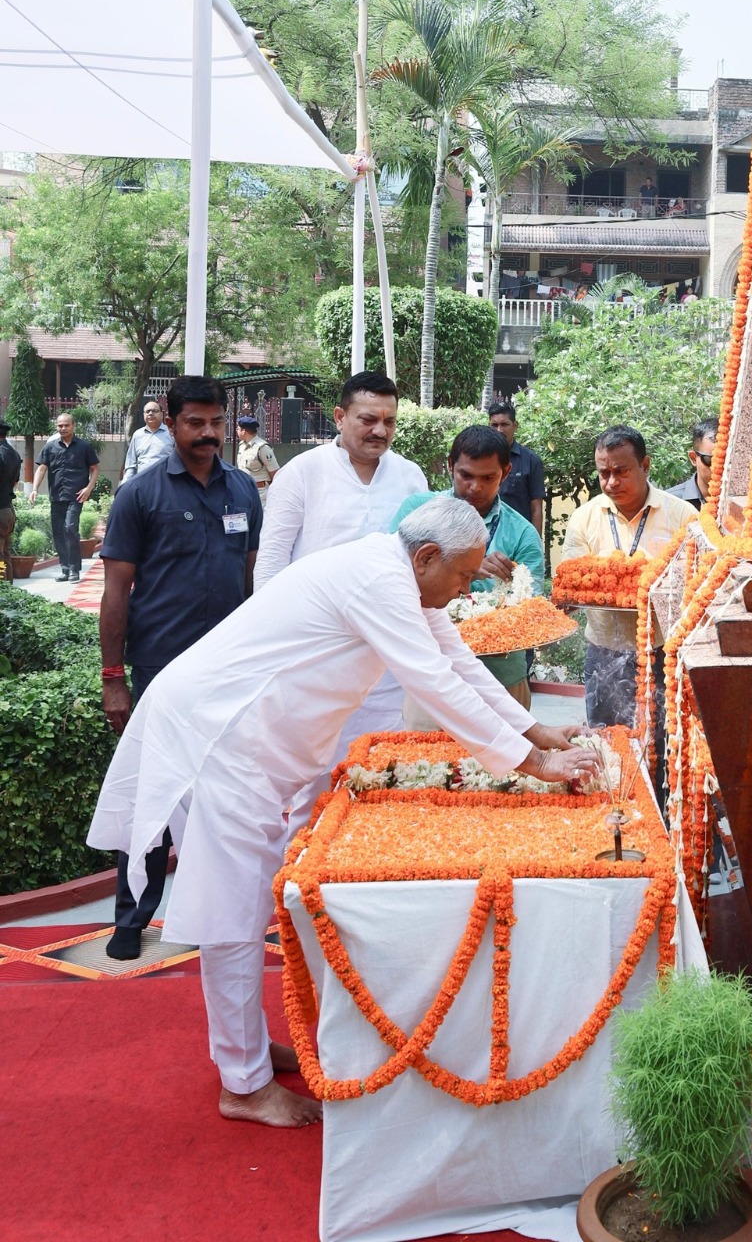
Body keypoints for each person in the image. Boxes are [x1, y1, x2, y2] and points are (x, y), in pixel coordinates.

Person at [87, 496, 599, 1129]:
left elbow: (456, 661)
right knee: (233, 914)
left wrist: (536, 732)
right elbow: (434, 683)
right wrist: (534, 763)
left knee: (248, 906)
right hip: (221, 741)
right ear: (426, 556)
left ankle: (247, 1050)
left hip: (247, 744)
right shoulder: (378, 579)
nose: (468, 589)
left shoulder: (404, 578)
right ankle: (243, 1085)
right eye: (465, 575)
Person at [98, 374, 263, 960]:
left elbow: (251, 581)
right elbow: (115, 593)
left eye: (217, 422)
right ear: (170, 424)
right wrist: (114, 679)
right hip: (159, 672)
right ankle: (131, 919)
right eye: (195, 422)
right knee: (153, 797)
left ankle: (214, 911)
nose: (208, 433)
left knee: (227, 796)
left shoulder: (242, 490)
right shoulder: (140, 494)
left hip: (228, 675)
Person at [255, 371, 426, 753]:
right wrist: (270, 644)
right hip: (314, 648)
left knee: (375, 757)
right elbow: (271, 560)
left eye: (389, 421)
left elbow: (419, 561)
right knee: (308, 758)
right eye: (368, 419)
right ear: (339, 417)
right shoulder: (302, 473)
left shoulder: (410, 476)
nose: (380, 430)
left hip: (384, 650)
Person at [392, 425, 545, 706]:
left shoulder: (523, 533)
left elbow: (533, 611)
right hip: (432, 675)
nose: (475, 487)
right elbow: (393, 580)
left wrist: (516, 583)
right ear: (450, 466)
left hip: (501, 679)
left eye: (488, 478)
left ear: (506, 473)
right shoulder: (417, 511)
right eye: (466, 475)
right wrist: (466, 571)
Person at [561, 425, 695, 728]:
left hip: (661, 649)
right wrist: (567, 599)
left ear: (645, 466)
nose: (611, 482)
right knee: (606, 739)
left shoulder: (682, 516)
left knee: (662, 740)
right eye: (603, 473)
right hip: (602, 650)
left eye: (621, 472)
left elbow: (696, 583)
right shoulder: (584, 518)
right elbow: (571, 582)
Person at [34, 413, 100, 582]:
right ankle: (65, 569)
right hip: (56, 496)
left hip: (76, 496)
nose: (63, 428)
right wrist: (34, 489)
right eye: (60, 425)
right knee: (58, 532)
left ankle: (74, 569)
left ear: (73, 425)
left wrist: (88, 488)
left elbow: (95, 469)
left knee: (70, 529)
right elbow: (41, 468)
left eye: (66, 425)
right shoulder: (50, 447)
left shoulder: (84, 446)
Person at [487, 400, 546, 538]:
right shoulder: (481, 459)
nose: (499, 430)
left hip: (518, 537)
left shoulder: (531, 460)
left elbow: (536, 508)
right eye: (494, 425)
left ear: (515, 426)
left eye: (504, 424)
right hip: (485, 536)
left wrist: (535, 543)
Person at [667, 417, 717, 510]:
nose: (720, 468)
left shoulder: (743, 501)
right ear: (693, 458)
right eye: (711, 460)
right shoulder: (669, 503)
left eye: (728, 462)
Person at [121, 400, 174, 482]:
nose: (150, 413)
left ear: (162, 414)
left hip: (165, 482)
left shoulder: (171, 433)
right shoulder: (138, 435)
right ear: (144, 415)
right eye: (147, 411)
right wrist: (126, 484)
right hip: (142, 482)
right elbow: (131, 464)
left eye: (154, 411)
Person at [235, 415, 279, 501]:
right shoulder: (242, 446)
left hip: (261, 494)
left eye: (238, 429)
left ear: (243, 431)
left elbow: (275, 473)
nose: (237, 431)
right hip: (245, 491)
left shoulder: (262, 448)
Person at [0, 420, 22, 581]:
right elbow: (15, 481)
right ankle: (8, 589)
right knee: (4, 552)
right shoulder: (14, 454)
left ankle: (2, 590)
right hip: (7, 509)